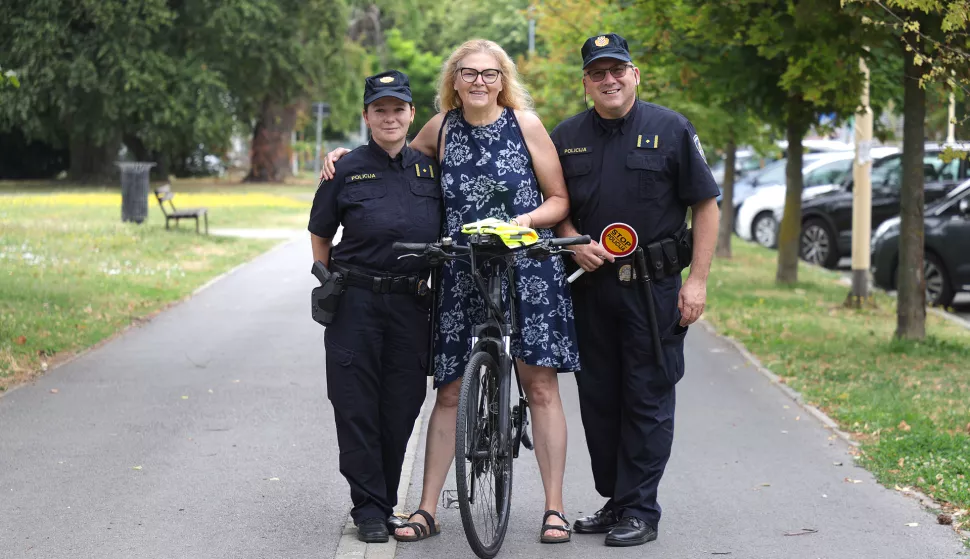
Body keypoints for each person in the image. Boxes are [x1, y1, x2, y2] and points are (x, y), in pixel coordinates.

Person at [321, 39, 577, 544]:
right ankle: (426, 508)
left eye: (489, 74)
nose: (479, 82)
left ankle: (554, 508)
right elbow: (394, 164)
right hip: (463, 268)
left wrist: (520, 221)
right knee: (451, 390)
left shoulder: (525, 126)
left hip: (526, 264)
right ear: (454, 81)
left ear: (502, 80)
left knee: (541, 386)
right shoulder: (439, 128)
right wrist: (346, 156)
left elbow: (559, 198)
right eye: (468, 73)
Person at [551, 34, 720, 547]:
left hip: (654, 291)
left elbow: (706, 205)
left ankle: (641, 510)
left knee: (646, 398)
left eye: (617, 70)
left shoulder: (671, 129)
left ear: (634, 74)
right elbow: (557, 205)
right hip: (591, 289)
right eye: (598, 73)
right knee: (599, 400)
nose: (609, 80)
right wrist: (569, 242)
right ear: (586, 81)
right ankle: (617, 500)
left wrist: (697, 282)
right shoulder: (566, 136)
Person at [307, 70, 442, 544]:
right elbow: (320, 234)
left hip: (411, 304)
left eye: (397, 108)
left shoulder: (431, 169)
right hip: (356, 303)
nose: (389, 117)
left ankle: (382, 498)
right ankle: (368, 507)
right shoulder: (342, 169)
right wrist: (329, 284)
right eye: (379, 109)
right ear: (366, 116)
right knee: (356, 405)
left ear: (411, 114)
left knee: (402, 406)